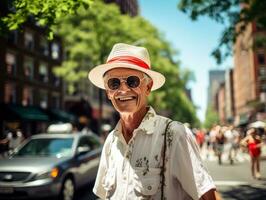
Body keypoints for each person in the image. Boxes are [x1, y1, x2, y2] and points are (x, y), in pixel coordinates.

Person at [88, 43, 220, 199]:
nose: (123, 90)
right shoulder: (111, 141)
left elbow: (207, 196)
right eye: (114, 83)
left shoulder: (174, 134)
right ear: (108, 92)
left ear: (148, 87)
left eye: (132, 81)